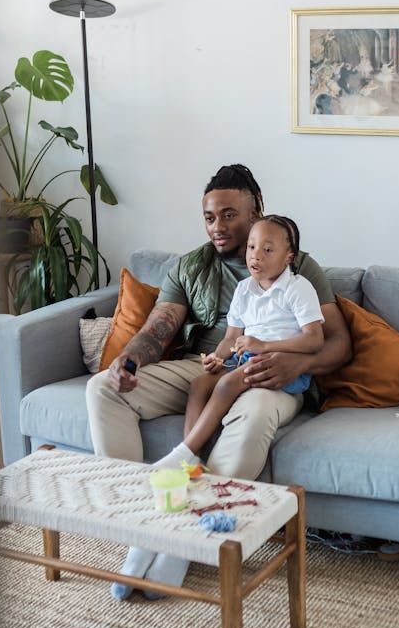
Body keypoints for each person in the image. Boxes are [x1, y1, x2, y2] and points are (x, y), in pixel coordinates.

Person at [85, 163, 351, 598]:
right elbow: (159, 329)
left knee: (256, 412)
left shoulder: (299, 269)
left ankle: (186, 542)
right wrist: (128, 362)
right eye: (210, 217)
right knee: (103, 389)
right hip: (208, 363)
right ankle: (143, 526)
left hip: (272, 373)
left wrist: (296, 365)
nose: (218, 227)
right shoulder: (191, 266)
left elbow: (338, 344)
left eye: (229, 214)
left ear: (257, 210)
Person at [155, 214, 324, 470]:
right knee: (200, 384)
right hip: (244, 360)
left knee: (226, 385)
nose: (256, 255)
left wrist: (265, 346)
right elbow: (232, 338)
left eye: (268, 250)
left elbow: (314, 340)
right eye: (252, 247)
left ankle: (184, 452)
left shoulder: (298, 288)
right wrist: (218, 357)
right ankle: (193, 460)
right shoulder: (245, 288)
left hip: (281, 368)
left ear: (289, 257)